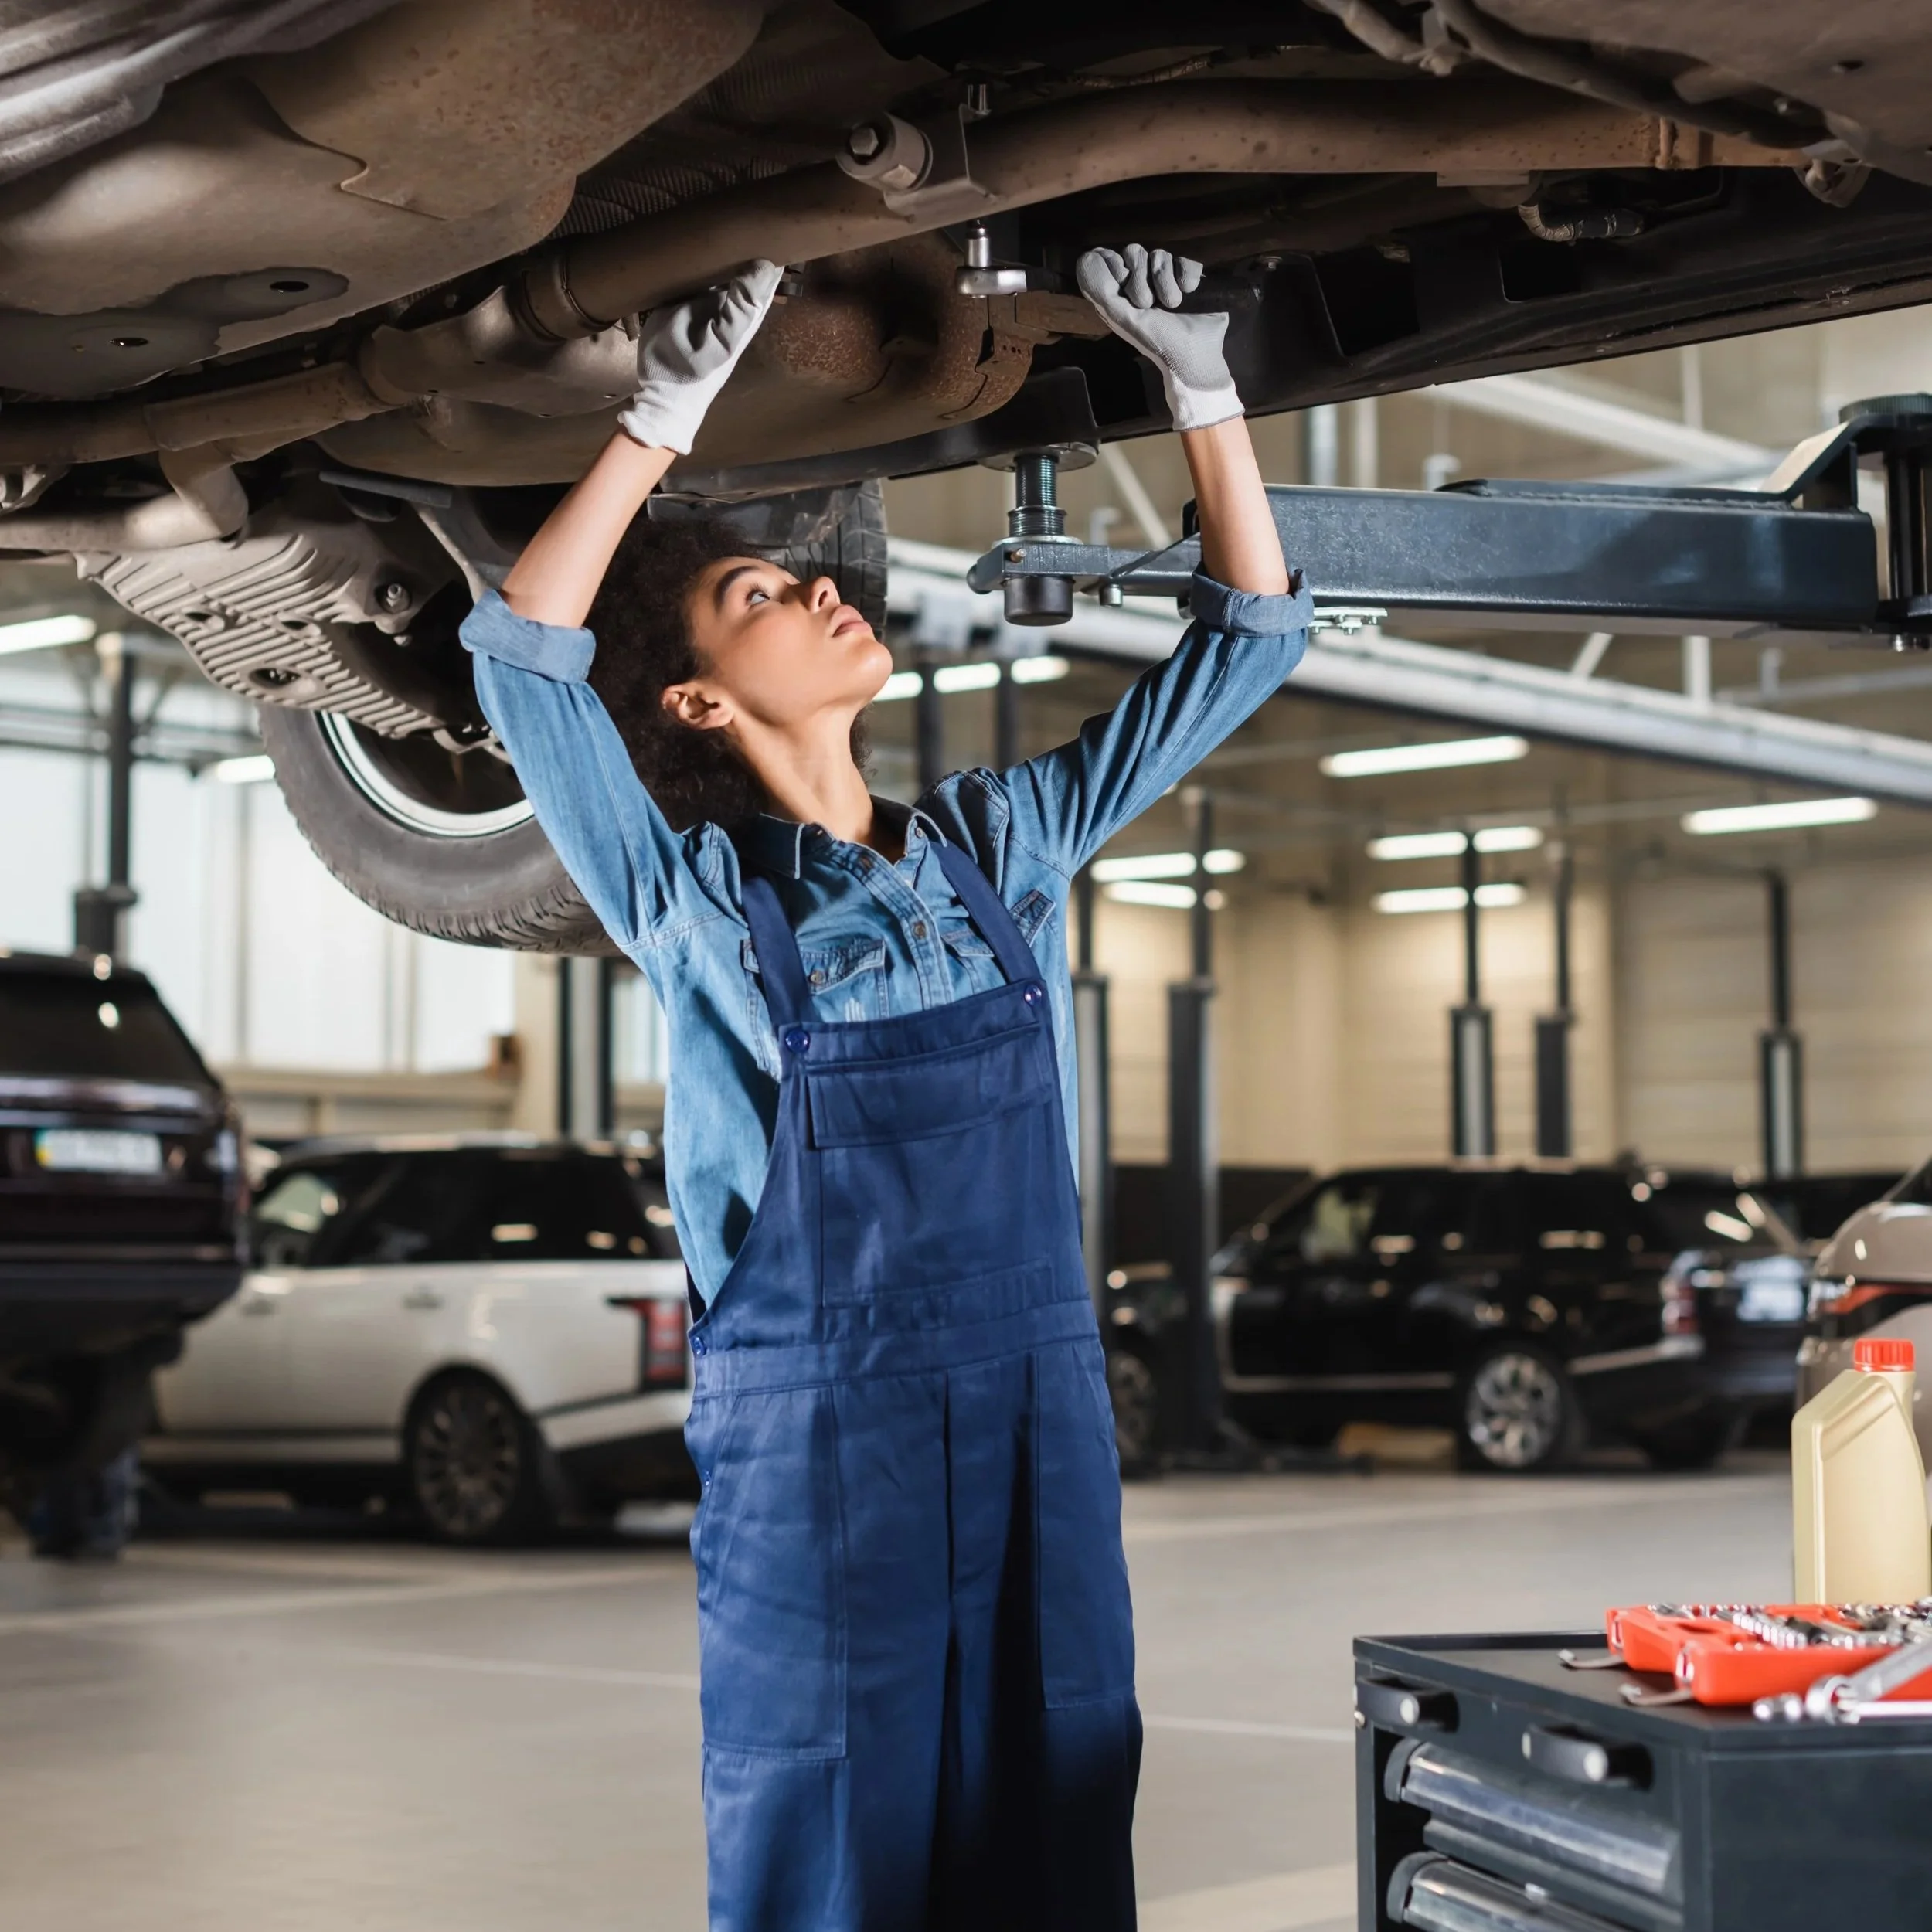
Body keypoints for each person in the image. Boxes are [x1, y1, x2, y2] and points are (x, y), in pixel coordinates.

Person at [460, 242, 1310, 1932]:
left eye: (805, 576)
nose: (822, 588)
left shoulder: (995, 850)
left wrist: (1199, 392)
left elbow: (1250, 644)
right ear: (698, 698)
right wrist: (657, 421)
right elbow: (519, 650)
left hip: (1026, 1402)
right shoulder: (693, 899)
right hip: (818, 1427)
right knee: (827, 1819)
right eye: (762, 596)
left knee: (1058, 1783)